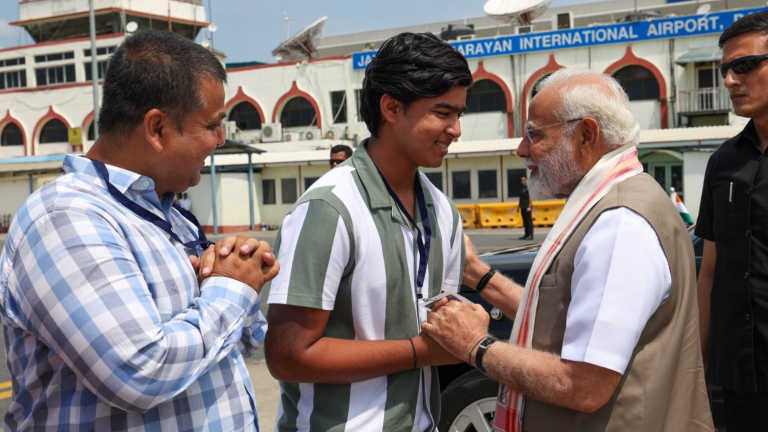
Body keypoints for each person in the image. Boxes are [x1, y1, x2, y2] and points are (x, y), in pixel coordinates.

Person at [0, 30, 279, 431]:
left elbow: (237, 342)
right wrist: (232, 289)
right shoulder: (66, 217)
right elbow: (138, 372)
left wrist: (241, 273)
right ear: (157, 128)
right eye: (213, 124)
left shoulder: (169, 215)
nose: (221, 139)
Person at [422, 68, 713, 431]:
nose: (522, 149)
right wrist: (479, 275)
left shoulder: (619, 223)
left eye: (534, 135)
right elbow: (560, 319)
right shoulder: (617, 199)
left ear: (586, 134)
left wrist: (474, 347)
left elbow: (584, 385)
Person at [265, 32, 470, 431]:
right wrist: (419, 352)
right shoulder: (330, 208)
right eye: (443, 113)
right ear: (392, 108)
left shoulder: (442, 210)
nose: (456, 129)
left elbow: (443, 324)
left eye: (459, 114)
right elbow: (287, 355)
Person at [696, 10, 768, 431]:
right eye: (725, 69)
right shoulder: (724, 162)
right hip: (740, 380)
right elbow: (710, 272)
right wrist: (700, 366)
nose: (729, 81)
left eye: (744, 66)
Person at [518, 176, 533, 240]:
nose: (523, 181)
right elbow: (520, 198)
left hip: (527, 206)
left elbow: (531, 197)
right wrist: (518, 206)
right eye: (522, 180)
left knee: (529, 221)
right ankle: (526, 234)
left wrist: (529, 206)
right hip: (522, 206)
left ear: (526, 180)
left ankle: (530, 235)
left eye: (524, 180)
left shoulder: (529, 187)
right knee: (525, 221)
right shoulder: (521, 188)